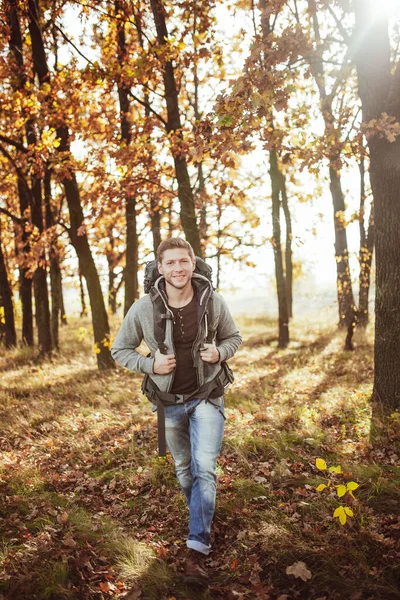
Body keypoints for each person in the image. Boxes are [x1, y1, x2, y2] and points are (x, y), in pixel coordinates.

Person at [111, 238, 242, 586]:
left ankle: (197, 549)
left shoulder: (212, 302)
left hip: (207, 396)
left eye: (184, 261)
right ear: (160, 267)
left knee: (204, 468)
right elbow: (119, 349)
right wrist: (149, 363)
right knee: (185, 470)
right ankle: (202, 513)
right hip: (167, 404)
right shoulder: (143, 308)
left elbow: (234, 337)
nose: (178, 269)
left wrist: (220, 353)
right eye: (170, 263)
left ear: (194, 264)